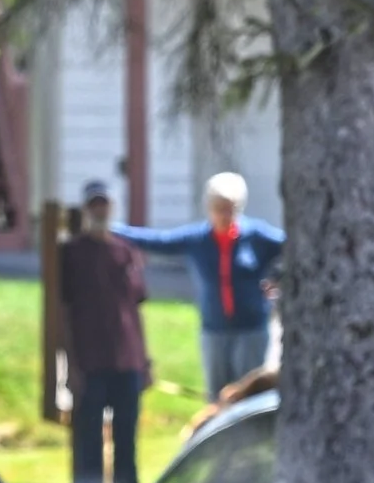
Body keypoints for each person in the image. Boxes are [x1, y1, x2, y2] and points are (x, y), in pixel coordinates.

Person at [120, 172, 285, 404]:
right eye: (219, 208)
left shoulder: (256, 236)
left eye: (230, 209)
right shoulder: (197, 239)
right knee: (217, 398)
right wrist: (112, 230)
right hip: (214, 330)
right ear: (209, 207)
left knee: (249, 397)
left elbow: (293, 246)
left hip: (251, 330)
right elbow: (157, 241)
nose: (224, 215)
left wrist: (278, 277)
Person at [57, 184, 151, 483]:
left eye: (104, 204)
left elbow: (136, 308)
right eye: (94, 205)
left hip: (127, 357)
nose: (100, 211)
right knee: (89, 435)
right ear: (86, 210)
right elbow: (63, 311)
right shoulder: (72, 254)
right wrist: (68, 368)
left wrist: (146, 360)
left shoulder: (124, 252)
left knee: (126, 430)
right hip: (90, 357)